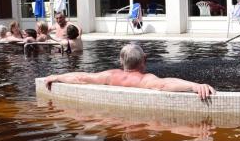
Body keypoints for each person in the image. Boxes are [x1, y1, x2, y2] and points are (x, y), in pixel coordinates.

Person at [45, 43, 215, 101]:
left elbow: (81, 77)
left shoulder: (110, 75)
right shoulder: (144, 79)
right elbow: (164, 84)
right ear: (144, 60)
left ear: (121, 61)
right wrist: (195, 86)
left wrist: (57, 76)